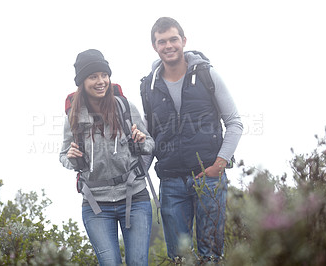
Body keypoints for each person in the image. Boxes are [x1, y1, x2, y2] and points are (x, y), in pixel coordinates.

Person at [140, 17, 243, 263]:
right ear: (155, 46)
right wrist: (137, 176)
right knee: (180, 259)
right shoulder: (148, 87)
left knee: (212, 257)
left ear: (183, 41)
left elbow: (235, 123)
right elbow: (150, 138)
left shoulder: (207, 74)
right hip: (171, 183)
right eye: (161, 41)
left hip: (208, 178)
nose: (168, 45)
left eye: (173, 39)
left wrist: (218, 166)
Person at [59, 49, 154, 266]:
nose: (101, 81)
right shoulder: (73, 117)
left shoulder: (125, 107)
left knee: (138, 263)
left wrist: (141, 141)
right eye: (93, 76)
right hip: (95, 205)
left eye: (104, 75)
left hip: (134, 197)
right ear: (82, 82)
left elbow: (150, 143)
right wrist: (72, 157)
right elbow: (64, 156)